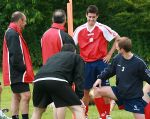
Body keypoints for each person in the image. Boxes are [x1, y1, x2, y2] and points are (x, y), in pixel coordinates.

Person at [73, 5, 119, 119]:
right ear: (86, 16)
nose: (91, 19)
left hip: (100, 63)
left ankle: (106, 115)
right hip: (85, 64)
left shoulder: (102, 28)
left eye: (93, 17)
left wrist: (109, 54)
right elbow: (71, 46)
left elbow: (118, 38)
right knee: (85, 91)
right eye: (89, 17)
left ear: (97, 16)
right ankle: (85, 114)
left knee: (104, 90)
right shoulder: (79, 29)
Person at [93, 37, 150, 119]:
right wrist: (100, 78)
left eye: (117, 46)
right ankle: (104, 116)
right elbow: (110, 70)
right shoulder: (118, 58)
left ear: (122, 49)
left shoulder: (139, 63)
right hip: (119, 93)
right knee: (97, 90)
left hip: (133, 98)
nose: (115, 47)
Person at [31, 44, 85, 119]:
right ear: (74, 51)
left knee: (38, 110)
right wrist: (79, 97)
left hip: (38, 80)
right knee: (78, 108)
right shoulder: (76, 57)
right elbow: (79, 77)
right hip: (57, 80)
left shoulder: (53, 57)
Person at [41, 9, 75, 119]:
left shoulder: (44, 35)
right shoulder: (65, 36)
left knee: (56, 102)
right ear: (65, 20)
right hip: (60, 74)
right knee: (62, 102)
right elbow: (72, 58)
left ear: (52, 20)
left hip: (45, 73)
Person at [2, 11, 34, 119]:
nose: (25, 24)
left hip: (15, 72)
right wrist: (24, 68)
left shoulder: (12, 32)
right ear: (20, 20)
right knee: (26, 95)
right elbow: (15, 55)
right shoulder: (12, 33)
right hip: (17, 72)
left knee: (16, 96)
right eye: (24, 21)